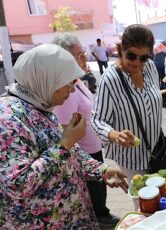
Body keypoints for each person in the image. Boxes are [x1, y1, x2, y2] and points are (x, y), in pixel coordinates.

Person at [0, 44, 128, 229]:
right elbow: (18, 185)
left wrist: (100, 170)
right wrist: (66, 142)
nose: (72, 90)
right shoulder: (7, 119)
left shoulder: (40, 106)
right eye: (68, 84)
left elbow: (69, 154)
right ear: (46, 79)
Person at [52, 33, 119, 228]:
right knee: (94, 192)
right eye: (78, 55)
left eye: (83, 54)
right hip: (83, 151)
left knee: (99, 188)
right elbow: (65, 131)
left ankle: (102, 214)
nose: (83, 59)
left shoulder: (77, 82)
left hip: (92, 146)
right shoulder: (65, 92)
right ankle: (100, 218)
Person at [91, 24, 162, 182]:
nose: (137, 63)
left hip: (156, 152)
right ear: (120, 49)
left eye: (143, 57)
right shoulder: (110, 79)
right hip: (132, 160)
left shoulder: (150, 67)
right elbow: (96, 120)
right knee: (143, 203)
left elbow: (151, 97)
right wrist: (115, 135)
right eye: (131, 56)